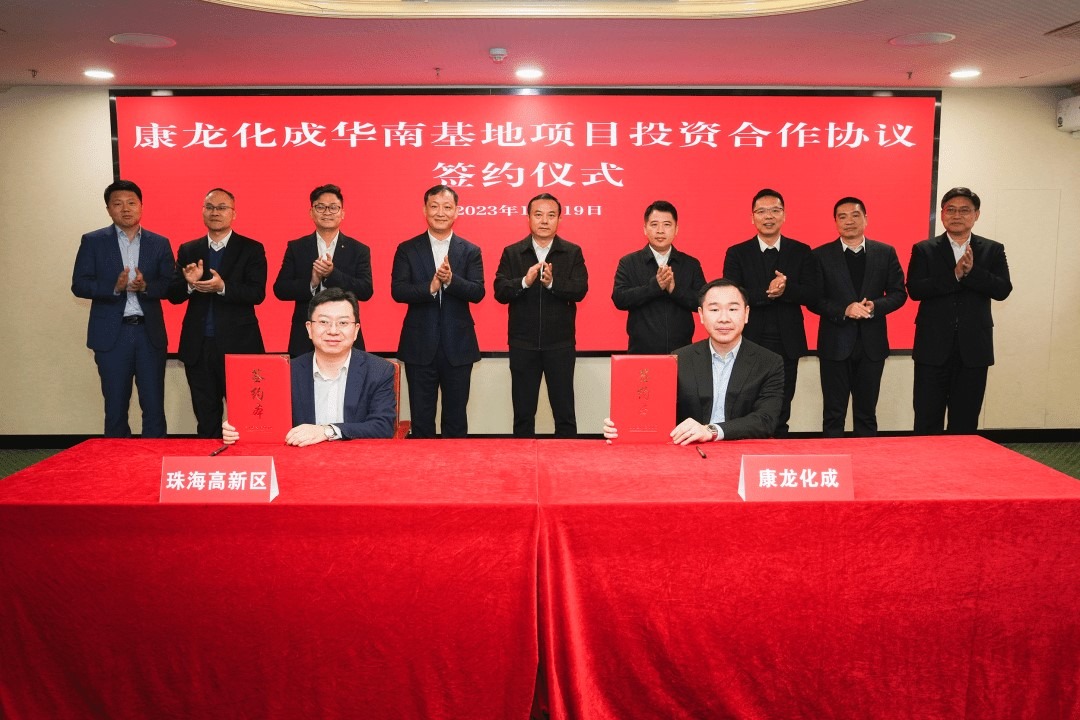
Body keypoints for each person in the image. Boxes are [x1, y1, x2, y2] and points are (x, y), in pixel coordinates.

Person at [604, 279, 784, 444]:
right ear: (701, 315)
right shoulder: (680, 359)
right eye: (714, 310)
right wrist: (625, 427)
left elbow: (766, 420)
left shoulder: (769, 362)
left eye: (732, 309)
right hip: (690, 452)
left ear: (746, 314)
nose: (724, 318)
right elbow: (659, 413)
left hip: (742, 451)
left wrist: (711, 430)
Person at [222, 288, 395, 445]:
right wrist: (239, 429)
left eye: (343, 323)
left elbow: (383, 427)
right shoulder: (286, 372)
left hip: (358, 460)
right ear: (309, 329)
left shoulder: (379, 370)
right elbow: (268, 423)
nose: (333, 331)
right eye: (324, 322)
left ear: (356, 330)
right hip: (300, 459)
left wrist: (327, 431)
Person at [71, 179, 175, 438]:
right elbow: (79, 284)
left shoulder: (159, 243)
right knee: (115, 407)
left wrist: (146, 286)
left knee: (154, 406)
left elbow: (170, 285)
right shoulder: (93, 241)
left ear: (141, 206)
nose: (125, 209)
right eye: (118, 204)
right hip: (111, 336)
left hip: (148, 334)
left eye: (131, 203)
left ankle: (155, 457)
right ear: (108, 209)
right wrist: (114, 287)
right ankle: (116, 460)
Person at [907, 187, 1012, 434]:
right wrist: (954, 275)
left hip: (974, 349)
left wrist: (972, 273)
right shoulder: (924, 249)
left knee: (965, 422)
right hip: (932, 348)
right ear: (942, 214)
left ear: (976, 215)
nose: (957, 215)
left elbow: (1002, 289)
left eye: (965, 210)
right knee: (926, 419)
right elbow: (915, 289)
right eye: (951, 210)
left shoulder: (992, 250)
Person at [168, 188, 267, 438]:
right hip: (198, 346)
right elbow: (174, 295)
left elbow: (257, 293)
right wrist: (190, 284)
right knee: (206, 416)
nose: (215, 212)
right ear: (203, 212)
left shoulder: (252, 248)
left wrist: (223, 287)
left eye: (222, 207)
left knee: (244, 415)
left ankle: (244, 460)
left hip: (239, 346)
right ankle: (209, 456)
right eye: (210, 207)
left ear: (233, 213)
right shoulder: (189, 249)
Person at [390, 184, 485, 438]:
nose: (440, 213)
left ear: (456, 212)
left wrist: (452, 281)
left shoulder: (470, 250)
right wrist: (430, 287)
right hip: (419, 346)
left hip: (459, 347)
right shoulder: (407, 249)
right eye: (434, 206)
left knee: (456, 420)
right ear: (425, 210)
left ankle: (455, 465)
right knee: (422, 421)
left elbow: (478, 292)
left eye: (447, 207)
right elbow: (398, 291)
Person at [722, 188, 819, 436]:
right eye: (762, 211)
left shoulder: (801, 250)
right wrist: (769, 292)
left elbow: (813, 293)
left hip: (788, 343)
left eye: (775, 211)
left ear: (784, 215)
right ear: (752, 217)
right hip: (748, 341)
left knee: (782, 406)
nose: (769, 216)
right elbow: (732, 295)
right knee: (746, 404)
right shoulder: (737, 252)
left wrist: (786, 289)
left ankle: (780, 449)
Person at [494, 193, 589, 437]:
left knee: (565, 414)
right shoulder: (513, 252)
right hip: (522, 344)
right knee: (523, 414)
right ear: (528, 218)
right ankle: (522, 458)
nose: (544, 221)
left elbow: (580, 290)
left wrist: (552, 284)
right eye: (538, 215)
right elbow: (500, 291)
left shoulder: (572, 252)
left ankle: (566, 458)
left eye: (551, 215)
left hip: (560, 345)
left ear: (559, 219)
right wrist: (524, 282)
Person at [811, 197, 907, 437]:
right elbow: (813, 299)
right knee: (833, 414)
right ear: (835, 222)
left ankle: (867, 460)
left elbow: (899, 293)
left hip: (872, 345)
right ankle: (833, 460)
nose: (849, 221)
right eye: (842, 217)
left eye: (855, 215)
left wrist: (875, 307)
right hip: (834, 345)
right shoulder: (820, 255)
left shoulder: (885, 252)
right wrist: (844, 310)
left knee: (866, 414)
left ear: (866, 219)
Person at [272, 184, 373, 357]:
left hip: (344, 332)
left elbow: (366, 290)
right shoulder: (297, 247)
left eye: (333, 207)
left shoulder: (358, 249)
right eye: (320, 207)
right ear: (311, 212)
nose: (327, 212)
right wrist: (312, 282)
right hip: (305, 334)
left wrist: (332, 274)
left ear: (342, 213)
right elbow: (280, 289)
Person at [611, 200, 707, 354]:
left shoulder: (690, 264)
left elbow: (702, 302)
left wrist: (674, 290)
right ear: (645, 229)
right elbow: (619, 299)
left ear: (676, 229)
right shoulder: (629, 262)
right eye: (654, 224)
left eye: (667, 225)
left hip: (683, 351)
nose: (660, 231)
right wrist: (654, 287)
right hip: (641, 352)